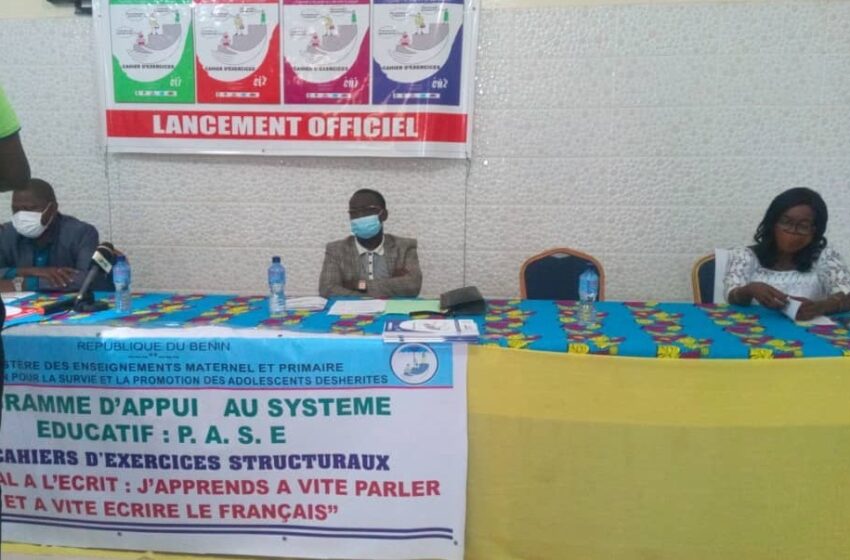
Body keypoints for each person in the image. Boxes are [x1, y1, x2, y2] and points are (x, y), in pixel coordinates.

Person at [724, 187, 850, 321]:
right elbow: (731, 295)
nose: (792, 231)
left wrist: (820, 307)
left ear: (815, 231)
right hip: (752, 329)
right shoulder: (745, 255)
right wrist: (750, 290)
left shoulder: (825, 256)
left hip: (808, 330)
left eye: (803, 226)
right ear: (772, 223)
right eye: (786, 222)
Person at [0, 178, 111, 293]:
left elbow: (89, 279)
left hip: (68, 303)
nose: (21, 215)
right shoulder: (6, 233)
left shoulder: (82, 233)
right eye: (15, 209)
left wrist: (24, 284)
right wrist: (28, 271)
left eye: (30, 209)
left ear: (52, 208)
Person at [319, 188, 422, 298]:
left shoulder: (404, 247)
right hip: (354, 309)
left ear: (384, 215)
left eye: (367, 210)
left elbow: (412, 286)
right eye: (354, 212)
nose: (360, 216)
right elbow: (327, 289)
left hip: (393, 309)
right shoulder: (336, 250)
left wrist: (357, 285)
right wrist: (390, 285)